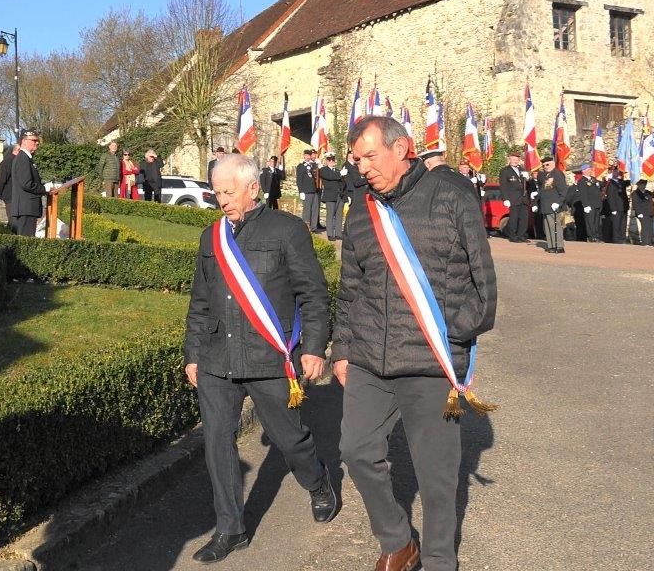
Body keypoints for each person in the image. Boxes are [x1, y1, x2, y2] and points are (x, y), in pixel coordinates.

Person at [333, 116, 497, 571]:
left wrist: (453, 340)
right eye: (356, 159)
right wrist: (342, 349)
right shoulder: (362, 211)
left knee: (437, 475)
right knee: (356, 451)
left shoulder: (452, 196)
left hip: (429, 363)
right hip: (369, 358)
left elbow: (483, 288)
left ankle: (441, 560)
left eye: (370, 156)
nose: (362, 167)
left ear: (402, 147)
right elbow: (350, 290)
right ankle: (399, 541)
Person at [184, 153, 336, 563]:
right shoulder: (210, 237)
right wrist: (193, 354)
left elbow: (313, 294)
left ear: (253, 188)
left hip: (271, 358)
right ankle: (231, 529)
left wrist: (314, 348)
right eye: (216, 192)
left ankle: (317, 480)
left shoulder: (288, 230)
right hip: (217, 358)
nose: (221, 200)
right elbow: (200, 301)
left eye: (227, 192)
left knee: (289, 437)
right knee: (217, 443)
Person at [9, 130, 47, 236]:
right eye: (34, 140)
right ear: (24, 141)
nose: (37, 142)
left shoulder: (25, 158)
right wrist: (45, 189)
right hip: (26, 208)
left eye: (37, 140)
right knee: (26, 242)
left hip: (26, 208)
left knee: (26, 241)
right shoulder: (23, 158)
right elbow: (26, 184)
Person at [535, 156, 568, 254]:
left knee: (555, 226)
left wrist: (558, 202)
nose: (545, 167)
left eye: (547, 164)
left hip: (554, 205)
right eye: (544, 165)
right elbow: (542, 190)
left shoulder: (557, 174)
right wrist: (535, 202)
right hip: (545, 205)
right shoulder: (546, 176)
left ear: (553, 164)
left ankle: (559, 246)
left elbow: (563, 190)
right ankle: (551, 245)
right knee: (548, 226)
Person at [497, 151, 529, 242]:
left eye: (517, 159)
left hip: (523, 198)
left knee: (524, 218)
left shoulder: (522, 170)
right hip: (513, 198)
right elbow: (503, 186)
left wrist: (528, 178)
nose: (515, 161)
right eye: (513, 159)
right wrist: (505, 198)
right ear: (509, 159)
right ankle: (513, 235)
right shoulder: (505, 171)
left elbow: (527, 185)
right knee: (513, 218)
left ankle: (521, 235)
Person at [318, 152, 344, 240]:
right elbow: (330, 177)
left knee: (339, 215)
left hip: (339, 195)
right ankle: (330, 234)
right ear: (327, 161)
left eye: (333, 160)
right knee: (330, 215)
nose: (331, 161)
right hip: (330, 195)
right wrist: (340, 174)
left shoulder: (337, 170)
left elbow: (342, 182)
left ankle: (338, 233)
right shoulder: (323, 170)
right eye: (329, 160)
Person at [575, 165, 604, 242]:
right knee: (590, 222)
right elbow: (583, 194)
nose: (590, 170)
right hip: (589, 205)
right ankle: (591, 237)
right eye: (588, 169)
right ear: (583, 171)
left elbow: (599, 188)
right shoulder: (581, 181)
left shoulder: (594, 179)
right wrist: (586, 205)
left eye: (590, 169)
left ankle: (596, 236)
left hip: (597, 204)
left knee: (596, 222)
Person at [602, 167, 631, 244]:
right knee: (616, 225)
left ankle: (623, 239)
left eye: (617, 171)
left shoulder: (621, 182)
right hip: (616, 208)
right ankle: (617, 240)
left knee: (623, 225)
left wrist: (632, 175)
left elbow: (629, 182)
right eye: (614, 172)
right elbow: (610, 197)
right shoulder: (610, 183)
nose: (616, 173)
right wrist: (613, 208)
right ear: (611, 173)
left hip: (624, 207)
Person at [296, 148, 321, 230]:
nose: (307, 157)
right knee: (307, 210)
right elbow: (299, 180)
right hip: (306, 191)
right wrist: (301, 191)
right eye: (306, 155)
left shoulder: (314, 165)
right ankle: (306, 227)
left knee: (315, 209)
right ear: (304, 156)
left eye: (309, 155)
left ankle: (314, 227)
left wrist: (319, 166)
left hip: (315, 190)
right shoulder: (301, 166)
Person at [631, 179, 654, 246]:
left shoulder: (647, 192)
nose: (644, 186)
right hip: (642, 213)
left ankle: (649, 242)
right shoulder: (635, 193)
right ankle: (645, 242)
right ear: (639, 185)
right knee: (645, 227)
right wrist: (639, 213)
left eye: (645, 184)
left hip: (649, 213)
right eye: (642, 184)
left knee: (649, 228)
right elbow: (636, 204)